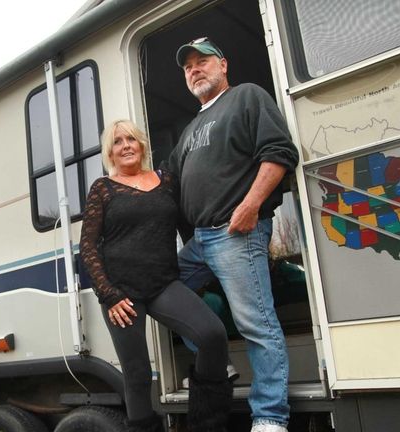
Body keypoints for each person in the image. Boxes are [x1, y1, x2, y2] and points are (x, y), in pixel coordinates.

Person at [168, 37, 300, 432]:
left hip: (235, 232)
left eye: (202, 61)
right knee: (162, 293)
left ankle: (270, 416)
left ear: (222, 65)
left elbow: (279, 153)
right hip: (201, 241)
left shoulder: (246, 97)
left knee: (256, 325)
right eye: (188, 66)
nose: (195, 69)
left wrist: (250, 205)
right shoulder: (190, 130)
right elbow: (170, 185)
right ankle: (216, 362)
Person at [81, 120, 231, 432]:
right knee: (137, 375)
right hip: (122, 294)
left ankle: (207, 423)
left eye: (131, 139)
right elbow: (88, 246)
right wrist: (108, 294)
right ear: (110, 152)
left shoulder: (165, 182)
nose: (126, 146)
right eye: (118, 141)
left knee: (212, 335)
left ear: (142, 145)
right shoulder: (103, 189)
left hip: (163, 284)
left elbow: (188, 222)